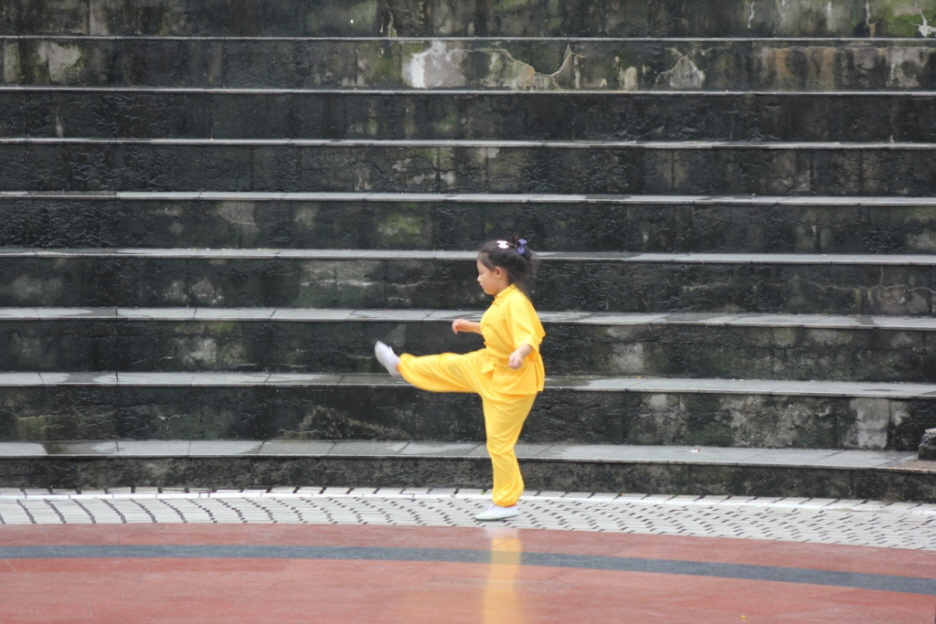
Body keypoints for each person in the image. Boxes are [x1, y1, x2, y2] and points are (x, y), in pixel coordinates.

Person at [374, 237, 545, 521]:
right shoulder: (502, 300)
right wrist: (472, 327)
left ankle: (506, 503)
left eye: (481, 273)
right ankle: (401, 366)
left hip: (512, 385)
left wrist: (519, 353)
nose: (478, 279)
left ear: (498, 273)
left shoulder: (516, 302)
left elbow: (529, 336)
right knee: (448, 364)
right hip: (489, 365)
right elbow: (497, 329)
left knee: (499, 445)